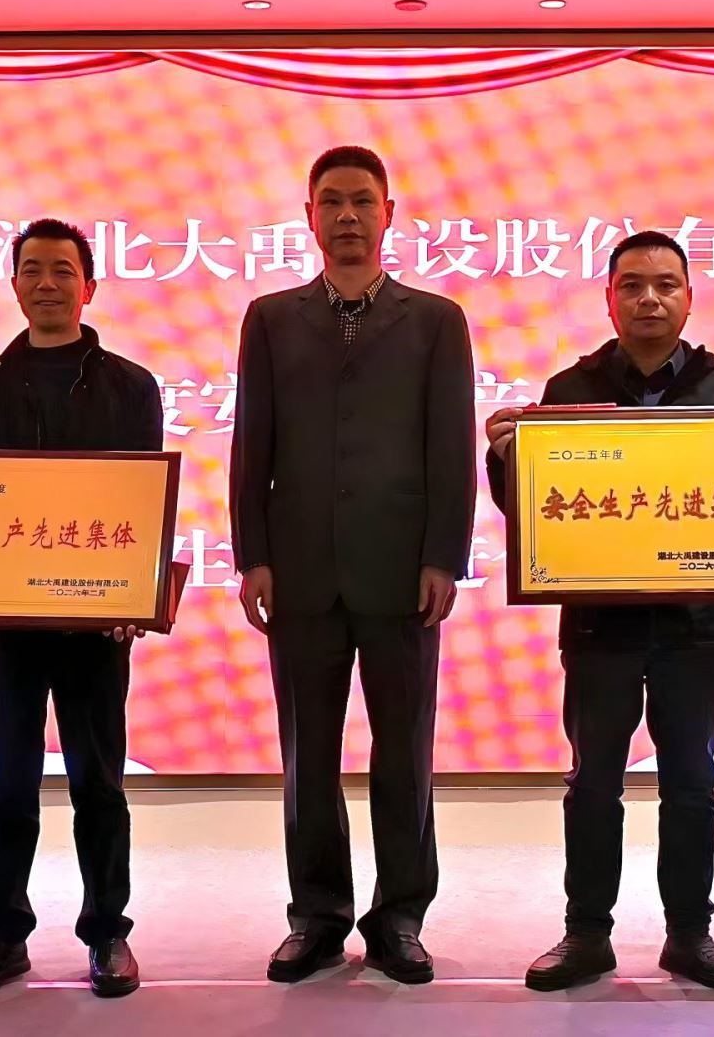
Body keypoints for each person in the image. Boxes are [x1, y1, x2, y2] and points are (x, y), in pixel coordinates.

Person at [484, 230, 714, 992]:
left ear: (689, 298)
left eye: (665, 284)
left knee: (692, 782)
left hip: (695, 626)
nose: (649, 298)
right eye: (632, 285)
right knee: (593, 782)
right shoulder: (570, 390)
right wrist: (503, 457)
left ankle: (690, 933)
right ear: (609, 299)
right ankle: (586, 934)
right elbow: (536, 510)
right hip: (601, 626)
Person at [228, 146, 477, 985]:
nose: (346, 215)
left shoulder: (436, 320)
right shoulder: (270, 318)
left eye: (362, 201)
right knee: (308, 756)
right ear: (309, 216)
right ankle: (318, 916)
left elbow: (451, 448)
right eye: (330, 201)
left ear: (388, 214)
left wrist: (444, 555)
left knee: (404, 752)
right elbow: (252, 445)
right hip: (299, 569)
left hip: (402, 570)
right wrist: (253, 554)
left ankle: (400, 916)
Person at [0, 217, 163, 1000]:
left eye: (64, 270)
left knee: (100, 784)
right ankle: (2, 935)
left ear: (89, 285)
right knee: (7, 785)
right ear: (15, 284)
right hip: (3, 629)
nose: (48, 283)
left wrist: (134, 595)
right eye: (33, 269)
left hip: (96, 623)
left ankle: (108, 933)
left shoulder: (131, 386)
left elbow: (140, 504)